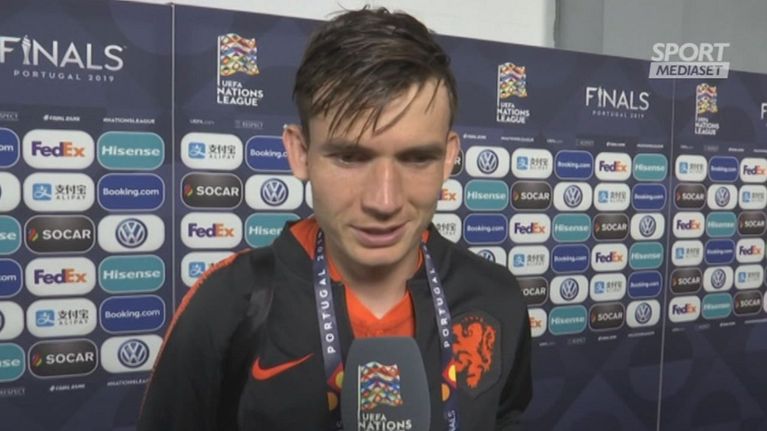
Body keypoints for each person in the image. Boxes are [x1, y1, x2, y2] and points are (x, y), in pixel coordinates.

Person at [138, 7, 531, 430]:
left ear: (450, 156)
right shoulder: (228, 305)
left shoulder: (496, 296)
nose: (384, 201)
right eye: (349, 157)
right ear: (300, 153)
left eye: (417, 158)